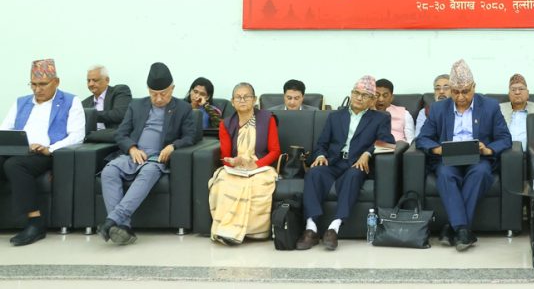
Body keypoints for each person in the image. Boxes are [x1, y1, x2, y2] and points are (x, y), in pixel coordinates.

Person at [99, 62, 198, 245]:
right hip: (133, 156)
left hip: (156, 159)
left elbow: (191, 136)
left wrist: (173, 146)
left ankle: (112, 220)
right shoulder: (136, 105)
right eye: (154, 94)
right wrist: (131, 148)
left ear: (172, 88)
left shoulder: (183, 109)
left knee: (148, 172)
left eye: (163, 93)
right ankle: (123, 227)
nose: (159, 98)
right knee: (108, 171)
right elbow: (121, 133)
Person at [417, 60, 511, 252]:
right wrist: (438, 149)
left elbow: (505, 138)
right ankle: (462, 230)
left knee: (481, 173)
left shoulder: (490, 106)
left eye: (465, 91)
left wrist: (487, 149)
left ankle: (453, 228)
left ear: (474, 87)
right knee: (445, 174)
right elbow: (423, 138)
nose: (460, 97)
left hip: (479, 158)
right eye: (456, 92)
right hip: (448, 160)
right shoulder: (438, 109)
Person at [296, 75, 394, 251]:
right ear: (351, 93)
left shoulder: (380, 118)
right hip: (333, 161)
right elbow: (322, 144)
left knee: (354, 175)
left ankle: (334, 227)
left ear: (372, 100)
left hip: (356, 163)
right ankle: (311, 228)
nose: (358, 97)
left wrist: (367, 153)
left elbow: (387, 142)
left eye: (364, 95)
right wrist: (319, 156)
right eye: (356, 93)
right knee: (313, 173)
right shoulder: (336, 116)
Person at [0, 59, 85, 246]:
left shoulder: (71, 101)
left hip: (45, 154)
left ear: (56, 82)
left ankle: (35, 223)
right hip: (19, 150)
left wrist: (50, 149)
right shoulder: (21, 102)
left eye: (43, 84)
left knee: (14, 165)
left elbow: (77, 135)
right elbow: (5, 129)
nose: (37, 89)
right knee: (8, 161)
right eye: (34, 84)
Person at [208, 82, 281, 245]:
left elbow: (275, 151)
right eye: (238, 97)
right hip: (236, 168)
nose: (242, 100)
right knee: (222, 183)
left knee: (260, 185)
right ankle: (226, 230)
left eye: (246, 96)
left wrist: (255, 165)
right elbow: (225, 157)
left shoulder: (267, 119)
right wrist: (234, 162)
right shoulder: (225, 124)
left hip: (260, 166)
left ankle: (254, 232)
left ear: (254, 100)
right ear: (232, 101)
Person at [81, 65, 132, 142]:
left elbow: (120, 114)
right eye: (88, 81)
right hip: (90, 142)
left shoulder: (119, 91)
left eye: (95, 80)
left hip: (113, 141)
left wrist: (92, 115)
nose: (91, 84)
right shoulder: (84, 103)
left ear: (107, 80)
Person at [498, 73, 534, 147]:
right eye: (513, 90)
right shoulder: (498, 109)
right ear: (509, 94)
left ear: (528, 93)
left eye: (521, 89)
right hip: (503, 152)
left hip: (532, 153)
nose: (517, 92)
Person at [375, 78, 414, 142]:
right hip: (372, 150)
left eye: (385, 96)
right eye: (377, 95)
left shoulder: (404, 114)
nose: (380, 99)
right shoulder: (367, 113)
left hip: (398, 149)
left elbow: (411, 141)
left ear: (391, 97)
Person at [414, 73, 450, 139]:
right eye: (437, 88)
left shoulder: (460, 109)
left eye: (446, 88)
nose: (441, 91)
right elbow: (419, 138)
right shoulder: (424, 112)